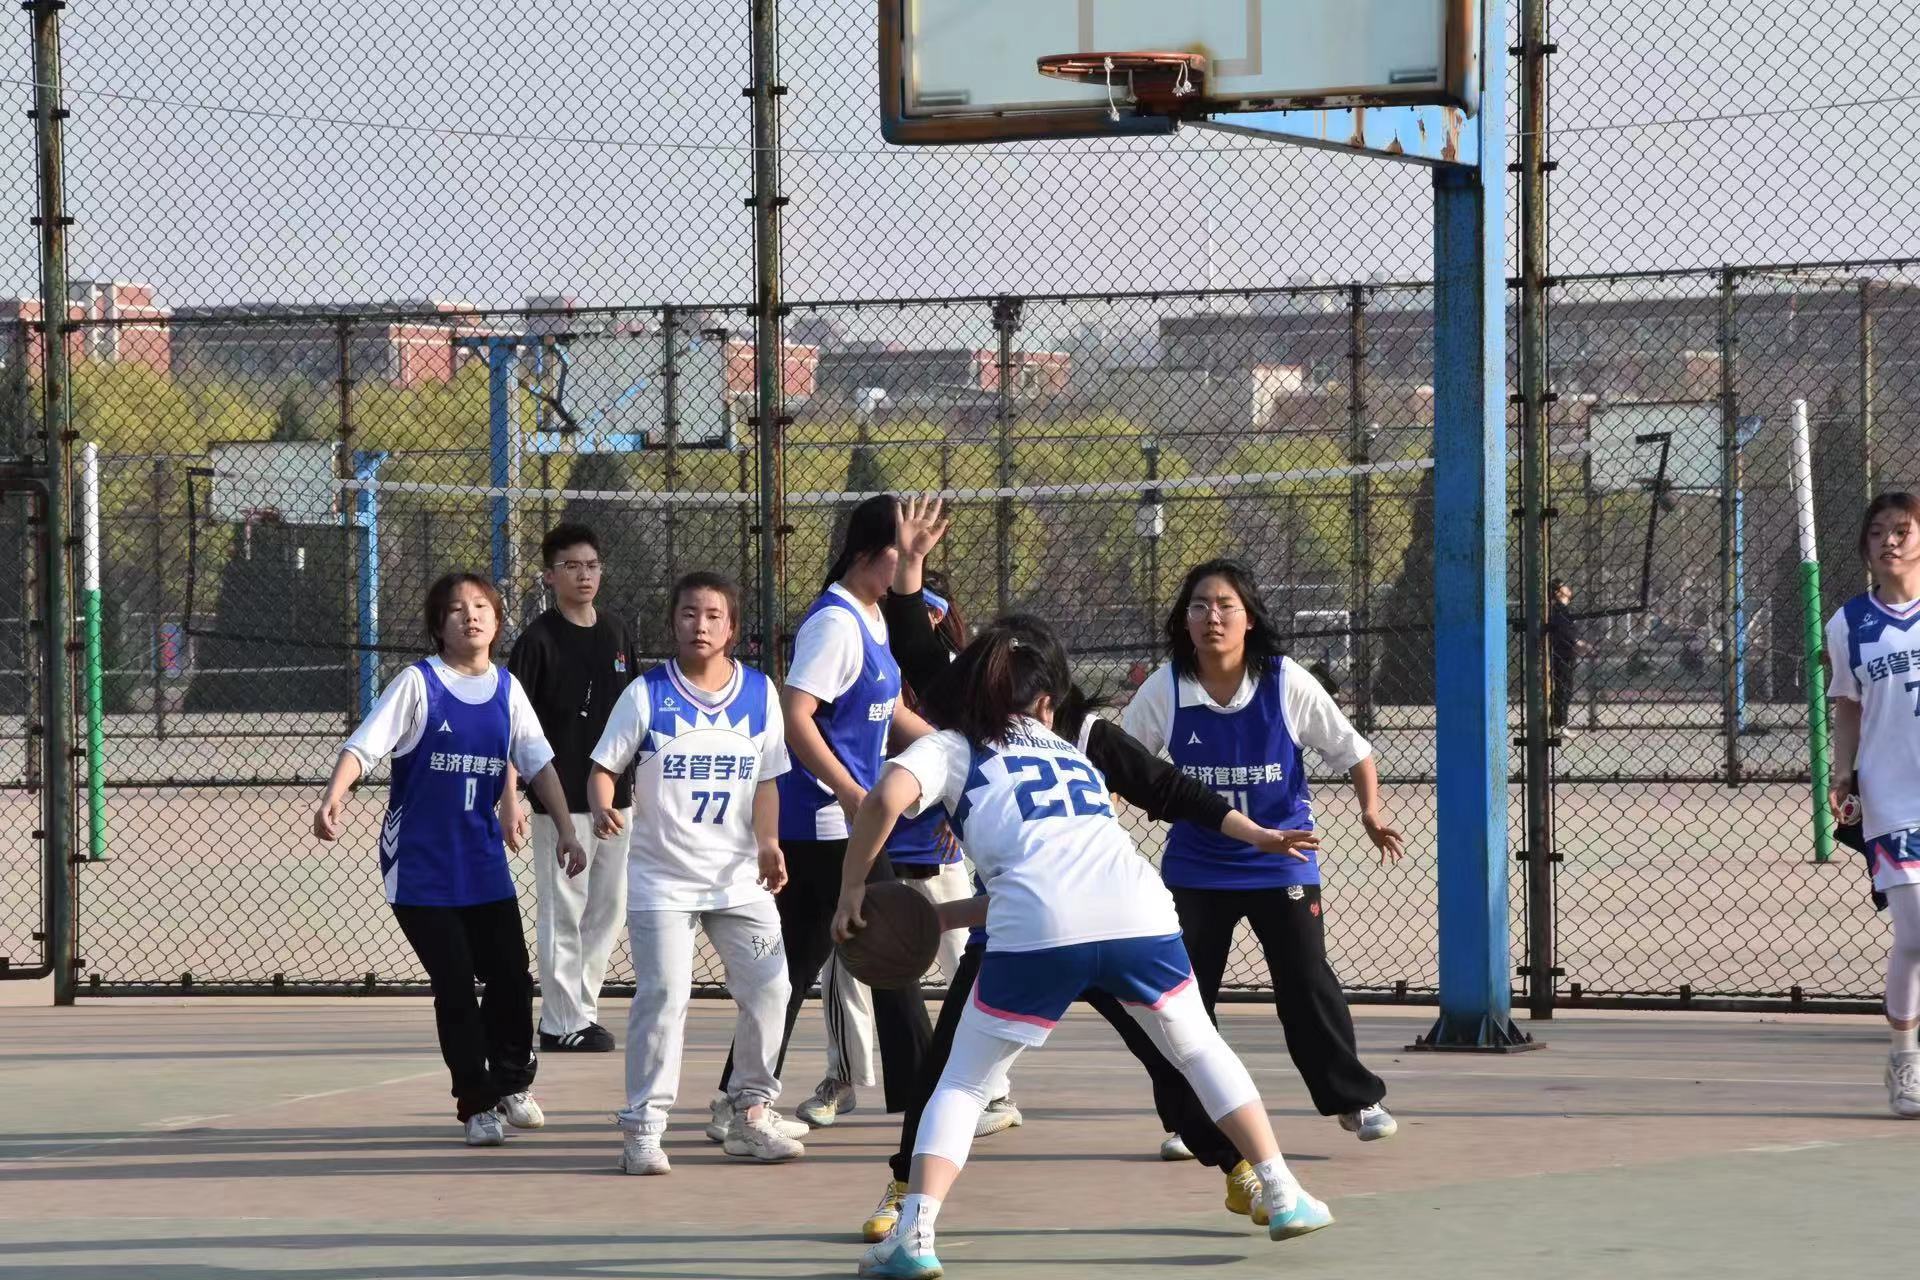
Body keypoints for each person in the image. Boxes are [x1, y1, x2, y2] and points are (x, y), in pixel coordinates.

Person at [856, 497, 1320, 1242]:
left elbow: (1169, 789)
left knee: (1137, 1056)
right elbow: (919, 651)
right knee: (1173, 1044)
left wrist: (1252, 832)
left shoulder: (1076, 733)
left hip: (1044, 921)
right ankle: (907, 1183)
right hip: (1069, 915)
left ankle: (1237, 1168)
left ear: (1045, 688)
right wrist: (910, 569)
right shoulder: (977, 721)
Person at [1123, 559, 1404, 1149]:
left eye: (1226, 605)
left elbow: (1353, 751)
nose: (1212, 617)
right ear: (1185, 620)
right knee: (1182, 998)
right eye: (1199, 606)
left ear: (1248, 618)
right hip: (1198, 866)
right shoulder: (1167, 687)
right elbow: (1120, 762)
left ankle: (1354, 1099)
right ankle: (1196, 1122)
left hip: (1282, 859)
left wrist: (1370, 811)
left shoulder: (1284, 681)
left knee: (1306, 981)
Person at [313, 572, 585, 1146]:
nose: (471, 615)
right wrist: (335, 794)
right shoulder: (419, 684)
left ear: (498, 619)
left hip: (481, 862)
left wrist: (566, 829)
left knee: (511, 976)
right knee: (456, 982)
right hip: (420, 864)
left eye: (482, 606)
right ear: (439, 625)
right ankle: (476, 1102)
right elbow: (364, 745)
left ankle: (512, 1082)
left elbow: (538, 764)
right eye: (457, 609)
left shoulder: (508, 690)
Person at [719, 494, 935, 1127]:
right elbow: (796, 715)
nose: (912, 562)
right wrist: (846, 790)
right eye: (904, 549)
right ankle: (931, 1096)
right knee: (893, 949)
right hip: (824, 825)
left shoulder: (873, 616)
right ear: (870, 551)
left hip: (851, 822)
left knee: (793, 966)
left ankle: (737, 1095)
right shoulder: (835, 623)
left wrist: (955, 750)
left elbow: (889, 711)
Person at [588, 571, 806, 1172]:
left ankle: (751, 1111)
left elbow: (768, 781)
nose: (700, 625)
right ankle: (643, 1128)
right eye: (689, 613)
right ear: (673, 622)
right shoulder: (645, 694)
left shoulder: (760, 693)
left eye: (713, 616)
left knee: (772, 987)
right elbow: (604, 768)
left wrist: (769, 843)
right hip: (663, 882)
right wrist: (603, 805)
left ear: (732, 628)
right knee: (664, 996)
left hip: (738, 879)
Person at [507, 523, 637, 1053]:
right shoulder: (537, 642)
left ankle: (581, 1011)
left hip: (616, 801)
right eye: (571, 566)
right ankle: (561, 1022)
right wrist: (510, 796)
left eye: (592, 565)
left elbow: (636, 715)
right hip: (559, 802)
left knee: (608, 909)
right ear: (549, 575)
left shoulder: (617, 632)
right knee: (565, 909)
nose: (584, 575)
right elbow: (512, 726)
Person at [1825, 491, 1920, 1119]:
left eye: (1902, 529)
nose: (1889, 540)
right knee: (1916, 934)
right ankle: (1905, 1061)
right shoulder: (1849, 623)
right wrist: (1843, 773)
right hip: (1892, 794)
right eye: (1878, 531)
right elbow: (1848, 706)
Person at [1547, 578, 1588, 737]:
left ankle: (1558, 722)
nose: (1568, 588)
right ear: (1558, 592)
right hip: (1562, 654)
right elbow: (1563, 631)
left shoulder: (1563, 610)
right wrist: (1576, 642)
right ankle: (1559, 724)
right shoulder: (1559, 610)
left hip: (1566, 653)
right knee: (1563, 688)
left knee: (1565, 688)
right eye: (1563, 586)